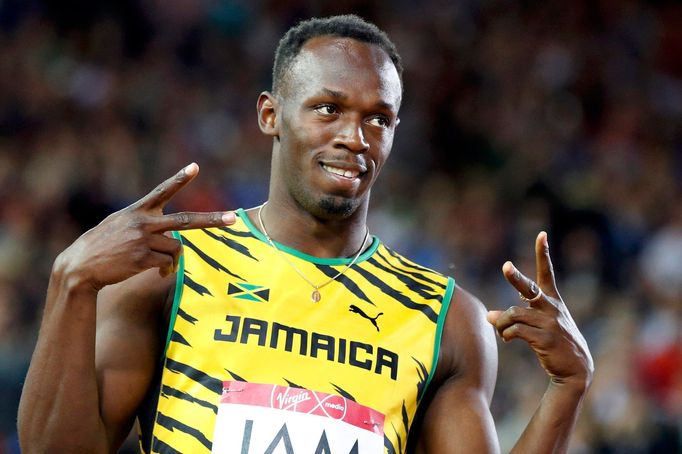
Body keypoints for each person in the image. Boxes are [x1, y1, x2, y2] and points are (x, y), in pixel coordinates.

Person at [18, 15, 593, 453]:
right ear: (270, 114)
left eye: (378, 118)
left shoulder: (446, 320)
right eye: (328, 109)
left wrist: (565, 390)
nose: (355, 136)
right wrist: (71, 281)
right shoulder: (171, 269)